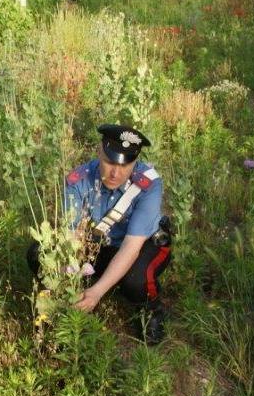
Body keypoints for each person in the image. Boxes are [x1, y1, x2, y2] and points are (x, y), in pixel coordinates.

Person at [28, 124, 172, 344]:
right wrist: (67, 281)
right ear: (99, 152)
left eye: (125, 165)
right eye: (109, 162)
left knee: (135, 281)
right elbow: (71, 238)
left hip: (141, 246)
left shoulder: (149, 185)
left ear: (136, 161)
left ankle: (151, 310)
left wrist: (97, 292)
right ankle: (58, 305)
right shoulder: (78, 181)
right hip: (101, 245)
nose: (116, 173)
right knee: (39, 252)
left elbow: (131, 247)